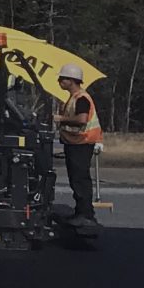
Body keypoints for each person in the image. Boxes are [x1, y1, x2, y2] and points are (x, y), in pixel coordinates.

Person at [54, 61, 102, 222]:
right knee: (76, 179)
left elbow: (82, 120)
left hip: (82, 144)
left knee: (80, 179)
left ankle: (86, 214)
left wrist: (61, 118)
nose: (59, 82)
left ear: (71, 80)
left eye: (62, 79)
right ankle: (81, 211)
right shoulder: (74, 98)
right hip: (75, 143)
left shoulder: (82, 98)